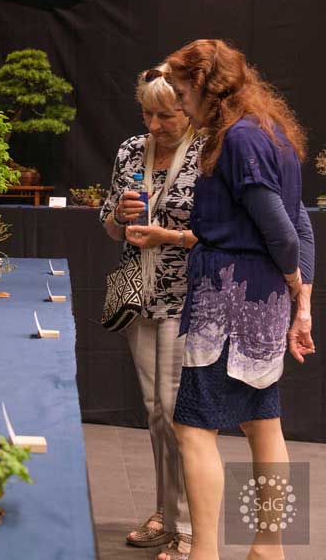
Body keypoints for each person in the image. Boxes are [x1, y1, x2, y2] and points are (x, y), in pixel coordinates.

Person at [154, 39, 315, 560]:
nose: (179, 104)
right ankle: (270, 548)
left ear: (205, 85)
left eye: (181, 92)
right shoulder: (272, 132)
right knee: (263, 421)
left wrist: (294, 283)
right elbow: (301, 225)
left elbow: (285, 234)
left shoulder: (240, 138)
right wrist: (300, 297)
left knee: (193, 427)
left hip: (229, 296)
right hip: (260, 295)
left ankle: (204, 553)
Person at [101, 64, 202, 558]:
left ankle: (185, 526)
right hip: (137, 294)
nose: (155, 125)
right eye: (147, 113)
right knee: (153, 411)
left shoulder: (208, 153)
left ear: (187, 109)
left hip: (187, 296)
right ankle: (165, 511)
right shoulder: (129, 151)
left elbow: (222, 231)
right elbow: (107, 217)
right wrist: (118, 217)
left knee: (175, 411)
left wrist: (171, 237)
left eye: (166, 115)